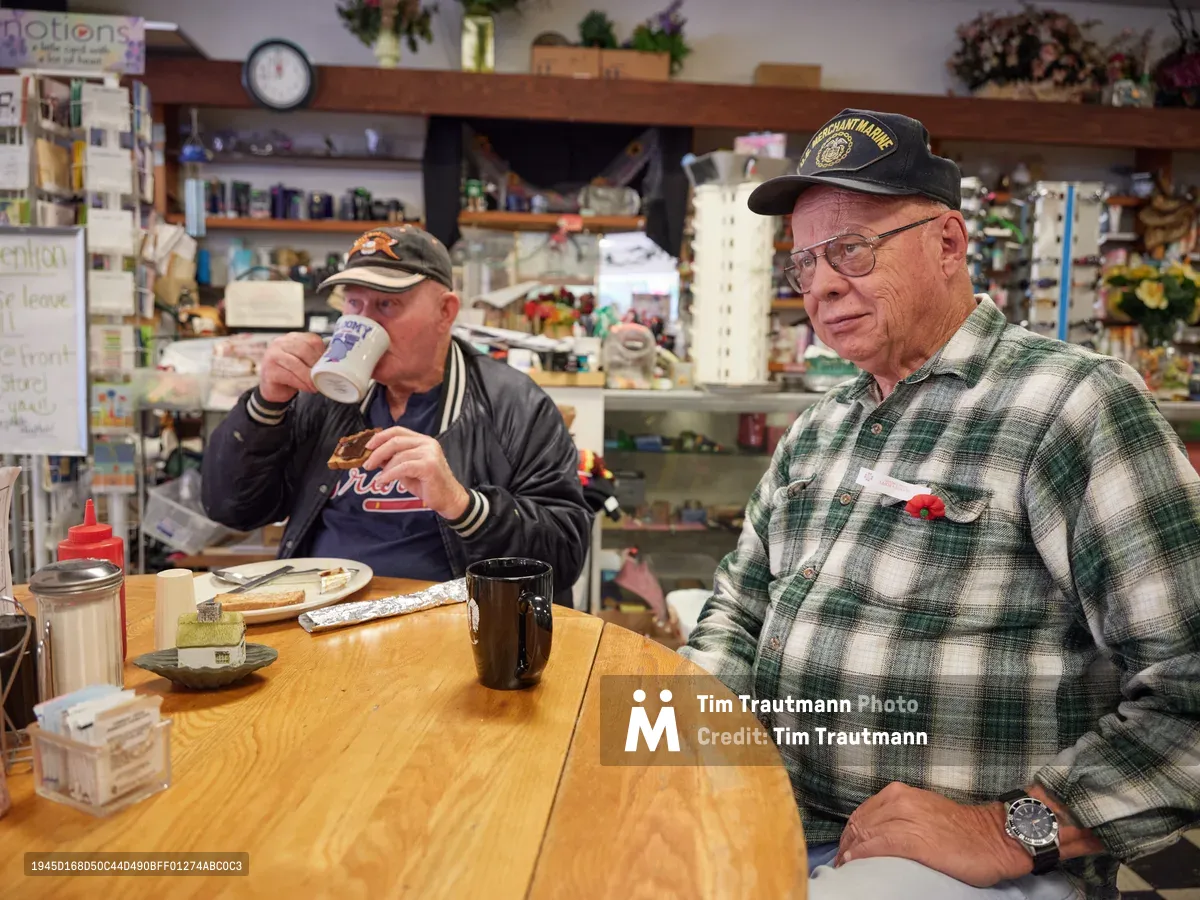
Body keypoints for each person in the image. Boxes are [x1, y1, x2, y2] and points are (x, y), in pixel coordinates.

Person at [679, 109, 1200, 899]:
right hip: (778, 821)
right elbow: (737, 612)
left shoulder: (1069, 405)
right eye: (804, 263)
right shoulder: (820, 428)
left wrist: (1011, 828)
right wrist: (684, 742)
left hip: (962, 866)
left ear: (948, 243)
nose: (822, 285)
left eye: (852, 249)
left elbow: (1188, 683)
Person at [201, 225, 591, 605]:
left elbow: (564, 555)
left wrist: (463, 505)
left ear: (445, 312)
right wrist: (266, 404)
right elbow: (232, 509)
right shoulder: (322, 397)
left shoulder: (514, 404)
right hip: (320, 614)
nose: (364, 323)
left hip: (453, 626)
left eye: (387, 304)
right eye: (354, 304)